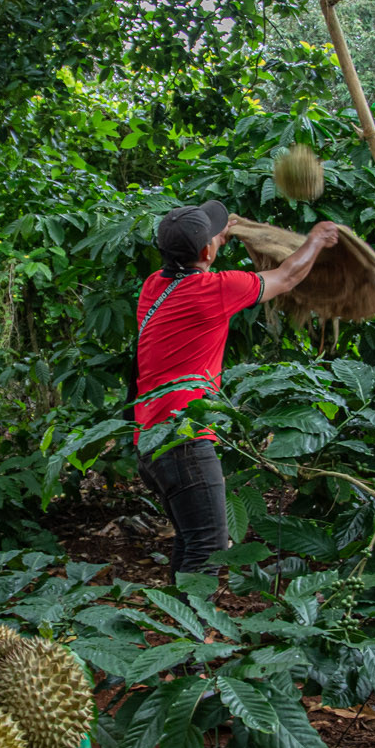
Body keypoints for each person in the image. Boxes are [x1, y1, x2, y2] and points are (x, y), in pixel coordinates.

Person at [135, 200, 339, 574]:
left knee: (192, 539)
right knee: (210, 548)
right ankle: (194, 629)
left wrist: (217, 238)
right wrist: (316, 239)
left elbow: (195, 259)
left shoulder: (154, 286)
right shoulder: (215, 291)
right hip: (184, 443)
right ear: (207, 250)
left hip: (150, 441)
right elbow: (288, 276)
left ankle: (174, 624)